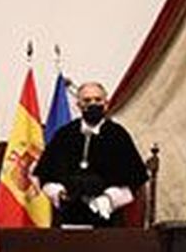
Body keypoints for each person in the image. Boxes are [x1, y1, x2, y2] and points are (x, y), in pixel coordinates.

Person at [35, 82, 148, 227]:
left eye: (97, 100)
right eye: (87, 100)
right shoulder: (65, 134)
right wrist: (59, 193)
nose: (93, 104)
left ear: (106, 103)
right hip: (68, 214)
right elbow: (45, 174)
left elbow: (134, 178)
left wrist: (109, 199)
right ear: (79, 105)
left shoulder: (118, 135)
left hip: (107, 216)